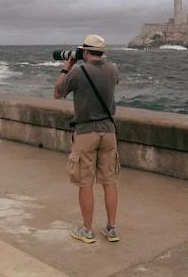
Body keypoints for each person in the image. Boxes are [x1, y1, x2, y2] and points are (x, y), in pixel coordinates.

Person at [53, 34, 121, 244]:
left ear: (85, 51)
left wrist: (66, 67)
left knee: (85, 183)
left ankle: (87, 230)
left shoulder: (78, 72)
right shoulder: (113, 69)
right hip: (109, 132)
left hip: (86, 133)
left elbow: (57, 93)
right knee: (109, 181)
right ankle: (111, 229)